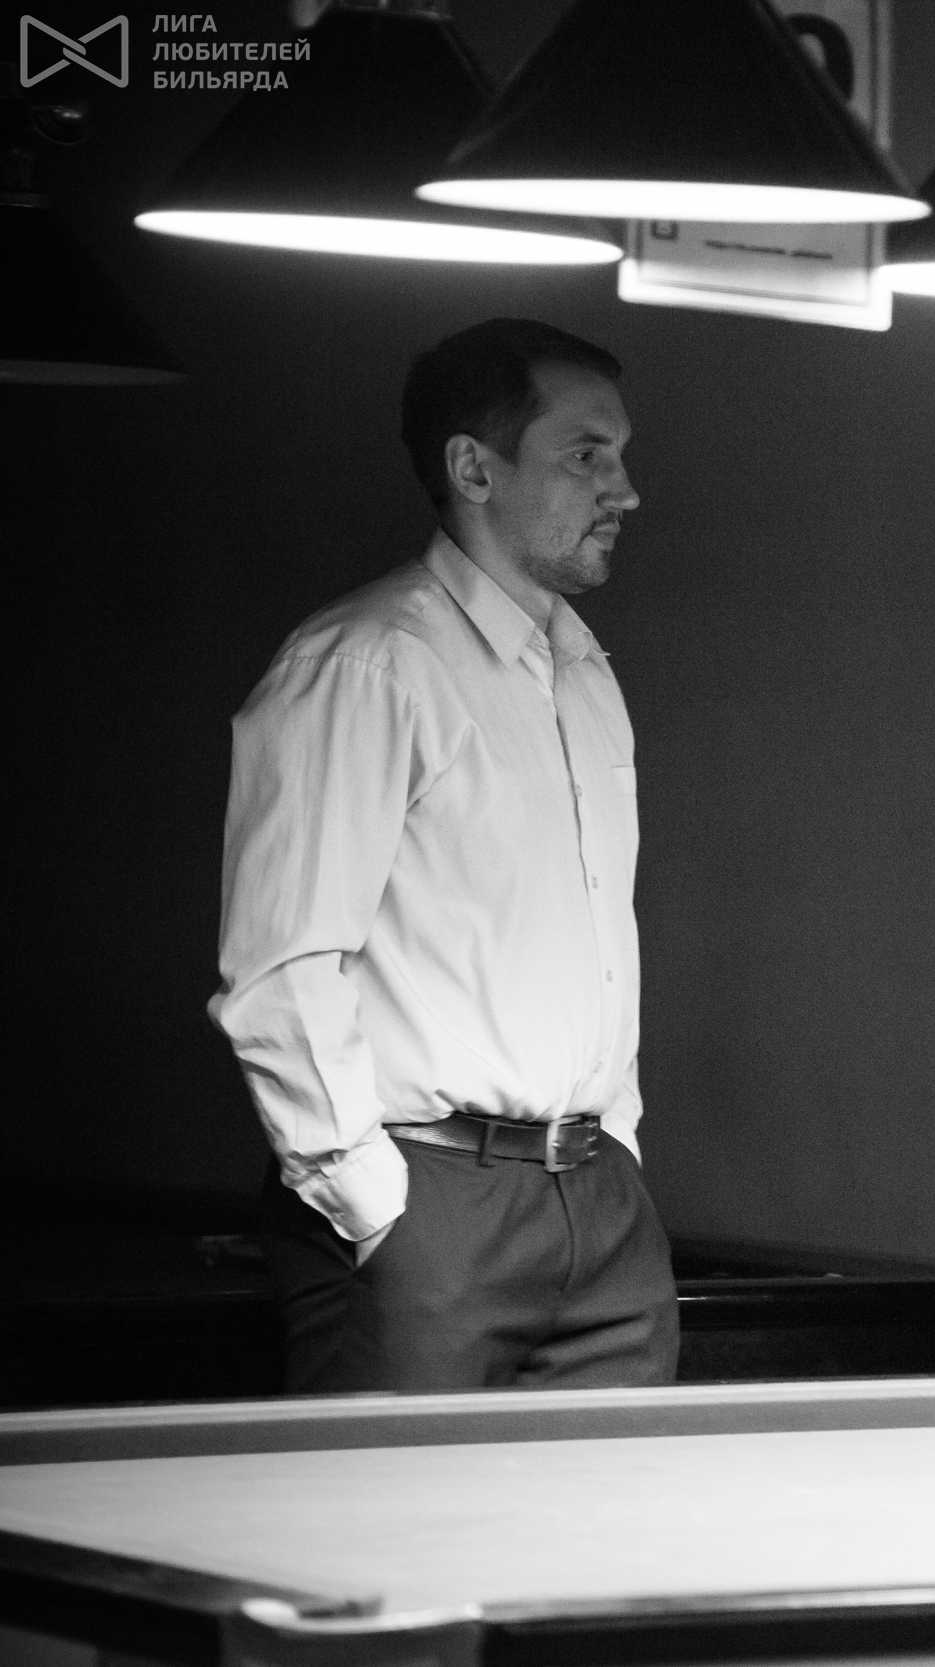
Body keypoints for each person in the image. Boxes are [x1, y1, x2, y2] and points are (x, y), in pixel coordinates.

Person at [210, 317, 675, 1392]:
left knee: (616, 1501)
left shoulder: (586, 673)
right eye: (586, 455)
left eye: (620, 454)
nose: (626, 490)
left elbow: (594, 938)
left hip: (597, 1197)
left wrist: (617, 1145)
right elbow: (281, 966)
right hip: (427, 1195)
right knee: (394, 1504)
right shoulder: (364, 666)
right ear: (474, 468)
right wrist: (374, 1204)